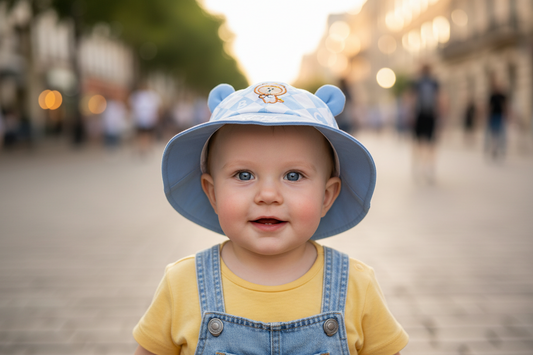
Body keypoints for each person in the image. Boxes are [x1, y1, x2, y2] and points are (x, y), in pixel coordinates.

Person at [133, 82, 409, 355]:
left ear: (326, 196)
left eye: (293, 176)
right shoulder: (183, 284)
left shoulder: (355, 286)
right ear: (212, 192)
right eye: (244, 175)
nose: (267, 195)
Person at [411, 64, 441, 182]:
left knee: (423, 143)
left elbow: (413, 98)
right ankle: (425, 167)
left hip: (424, 115)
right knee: (427, 143)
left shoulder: (421, 83)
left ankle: (423, 167)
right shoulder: (430, 83)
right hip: (426, 115)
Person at [129, 84, 161, 156]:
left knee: (144, 135)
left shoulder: (139, 96)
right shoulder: (143, 96)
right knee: (145, 134)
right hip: (144, 120)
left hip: (145, 120)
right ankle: (144, 148)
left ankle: (144, 148)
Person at [485, 79, 508, 160]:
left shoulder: (502, 96)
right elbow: (490, 107)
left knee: (500, 133)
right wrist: (487, 115)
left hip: (500, 116)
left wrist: (506, 115)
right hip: (493, 116)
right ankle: (493, 148)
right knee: (493, 133)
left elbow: (504, 106)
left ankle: (499, 148)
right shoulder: (492, 96)